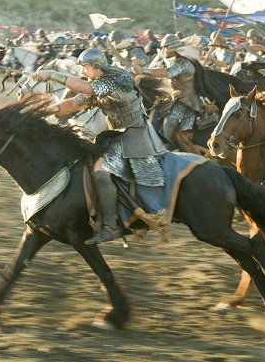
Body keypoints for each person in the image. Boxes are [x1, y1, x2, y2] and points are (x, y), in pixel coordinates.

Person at [32, 48, 167, 244]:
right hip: (115, 135)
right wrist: (43, 111)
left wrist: (51, 75)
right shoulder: (99, 82)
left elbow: (86, 90)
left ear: (96, 67)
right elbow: (74, 103)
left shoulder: (116, 79)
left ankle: (110, 226)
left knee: (101, 172)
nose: (83, 72)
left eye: (85, 68)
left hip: (134, 134)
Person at [132, 33, 215, 152]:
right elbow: (159, 71)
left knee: (170, 122)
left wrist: (143, 71)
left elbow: (167, 72)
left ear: (172, 47)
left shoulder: (183, 63)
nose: (163, 50)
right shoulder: (175, 61)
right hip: (177, 98)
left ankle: (163, 149)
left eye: (165, 47)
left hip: (187, 101)